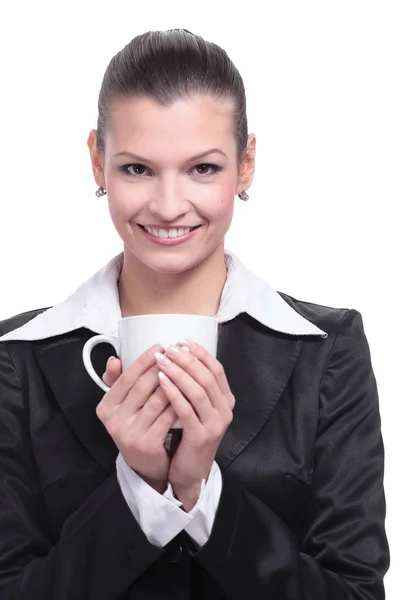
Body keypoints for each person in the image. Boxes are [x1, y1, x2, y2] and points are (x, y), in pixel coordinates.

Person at [0, 28, 389, 600]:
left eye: (203, 169)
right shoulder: (18, 361)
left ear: (246, 164)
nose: (167, 204)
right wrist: (138, 490)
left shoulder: (327, 351)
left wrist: (201, 492)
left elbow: (355, 592)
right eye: (137, 169)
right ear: (97, 160)